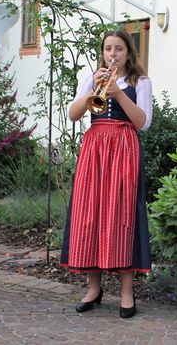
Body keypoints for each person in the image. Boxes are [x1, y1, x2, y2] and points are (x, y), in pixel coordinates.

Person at [60, 30, 153, 319]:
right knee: (91, 214)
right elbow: (74, 114)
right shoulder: (91, 78)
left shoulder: (141, 82)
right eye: (108, 49)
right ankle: (93, 288)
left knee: (121, 216)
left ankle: (126, 292)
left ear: (129, 53)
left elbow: (143, 122)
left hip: (124, 149)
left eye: (119, 49)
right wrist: (92, 91)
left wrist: (117, 94)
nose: (113, 54)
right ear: (102, 52)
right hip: (95, 149)